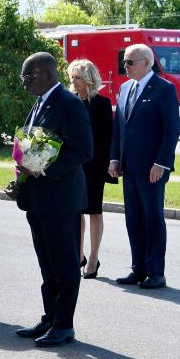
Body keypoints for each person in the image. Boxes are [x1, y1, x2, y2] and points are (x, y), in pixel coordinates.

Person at [13, 52, 92, 347]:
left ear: (47, 73)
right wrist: (22, 174)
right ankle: (50, 317)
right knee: (46, 263)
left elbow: (83, 150)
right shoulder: (39, 102)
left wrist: (43, 169)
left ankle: (64, 325)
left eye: (28, 77)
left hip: (61, 200)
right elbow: (30, 146)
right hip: (38, 199)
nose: (24, 83)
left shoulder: (69, 104)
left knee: (64, 264)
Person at [109, 44, 178, 290]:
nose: (124, 67)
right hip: (129, 167)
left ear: (147, 63)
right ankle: (138, 269)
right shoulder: (126, 88)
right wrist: (114, 158)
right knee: (134, 219)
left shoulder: (165, 89)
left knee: (153, 219)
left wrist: (161, 163)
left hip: (153, 168)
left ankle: (156, 273)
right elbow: (119, 127)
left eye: (129, 62)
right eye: (124, 61)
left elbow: (171, 131)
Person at [67, 59, 116, 279]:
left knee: (94, 211)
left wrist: (106, 166)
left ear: (88, 79)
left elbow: (107, 139)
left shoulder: (102, 104)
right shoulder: (70, 102)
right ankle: (78, 255)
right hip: (73, 166)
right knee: (75, 210)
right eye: (72, 78)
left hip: (95, 166)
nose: (74, 82)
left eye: (77, 77)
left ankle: (93, 258)